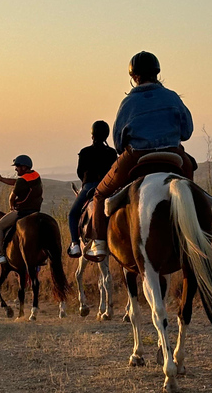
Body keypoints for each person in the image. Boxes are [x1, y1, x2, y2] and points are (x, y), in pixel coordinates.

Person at [87, 51, 195, 261]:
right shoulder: (172, 97)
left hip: (137, 156)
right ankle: (194, 227)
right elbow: (187, 131)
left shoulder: (128, 103)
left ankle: (99, 243)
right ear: (157, 73)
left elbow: (118, 142)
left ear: (134, 76)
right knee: (190, 186)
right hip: (173, 154)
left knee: (99, 193)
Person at [67, 120, 117, 258]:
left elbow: (80, 172)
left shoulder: (85, 152)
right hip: (108, 187)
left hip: (90, 186)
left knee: (72, 214)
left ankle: (75, 244)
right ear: (106, 135)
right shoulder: (112, 153)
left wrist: (86, 181)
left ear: (92, 135)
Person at [0, 154, 43, 264]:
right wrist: (2, 179)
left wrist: (11, 207)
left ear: (23, 167)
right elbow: (17, 182)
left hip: (22, 212)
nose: (15, 169)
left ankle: (0, 254)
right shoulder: (35, 175)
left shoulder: (22, 181)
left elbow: (11, 197)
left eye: (17, 166)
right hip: (36, 210)